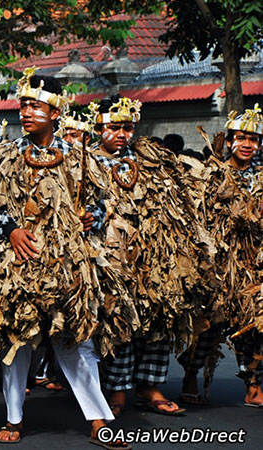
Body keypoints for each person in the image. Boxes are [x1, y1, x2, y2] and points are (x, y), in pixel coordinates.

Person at [0, 68, 121, 447]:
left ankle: (100, 420)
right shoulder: (3, 156)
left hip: (69, 264)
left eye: (36, 106)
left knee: (75, 339)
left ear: (56, 112)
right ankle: (14, 417)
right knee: (17, 339)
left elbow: (101, 204)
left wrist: (92, 217)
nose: (26, 112)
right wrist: (10, 230)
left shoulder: (80, 158)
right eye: (23, 105)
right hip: (17, 260)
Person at [90, 95, 184, 418]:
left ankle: (149, 385)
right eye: (114, 127)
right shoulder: (85, 163)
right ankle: (117, 387)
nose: (121, 134)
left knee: (157, 318)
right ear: (98, 127)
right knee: (119, 321)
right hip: (109, 254)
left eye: (127, 128)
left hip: (151, 253)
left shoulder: (149, 160)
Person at [178, 104, 263, 407]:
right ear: (228, 142)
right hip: (216, 261)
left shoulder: (260, 178)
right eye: (241, 138)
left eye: (254, 139)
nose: (247, 144)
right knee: (208, 323)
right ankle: (190, 375)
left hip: (251, 264)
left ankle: (253, 384)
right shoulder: (210, 174)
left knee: (252, 323)